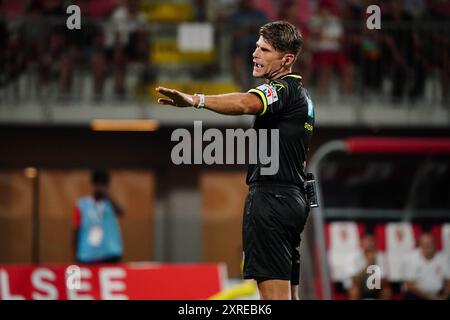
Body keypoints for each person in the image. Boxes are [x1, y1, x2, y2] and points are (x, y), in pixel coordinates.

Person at [156, 21, 314, 300]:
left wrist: (196, 100)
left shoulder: (283, 89)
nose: (255, 53)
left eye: (265, 50)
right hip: (293, 198)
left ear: (287, 59)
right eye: (256, 46)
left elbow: (245, 103)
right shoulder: (305, 99)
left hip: (272, 200)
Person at [73, 170, 124, 264]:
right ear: (93, 185)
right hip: (87, 255)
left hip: (110, 254)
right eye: (98, 185)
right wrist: (75, 254)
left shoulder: (110, 204)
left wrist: (107, 196)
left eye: (103, 185)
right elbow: (76, 230)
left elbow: (121, 212)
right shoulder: (82, 205)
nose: (100, 188)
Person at [403, 233, 450, 300]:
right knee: (410, 295)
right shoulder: (410, 258)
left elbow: (448, 280)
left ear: (434, 243)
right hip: (418, 294)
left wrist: (445, 295)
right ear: (420, 245)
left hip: (439, 293)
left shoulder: (443, 257)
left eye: (431, 243)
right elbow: (409, 285)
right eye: (425, 243)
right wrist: (431, 297)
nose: (428, 245)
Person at [347, 233, 392, 300]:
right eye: (367, 241)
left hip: (376, 285)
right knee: (354, 290)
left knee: (386, 290)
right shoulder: (353, 256)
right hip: (360, 285)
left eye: (372, 241)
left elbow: (384, 277)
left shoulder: (380, 255)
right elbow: (354, 279)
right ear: (361, 242)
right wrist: (369, 264)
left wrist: (374, 284)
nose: (370, 243)